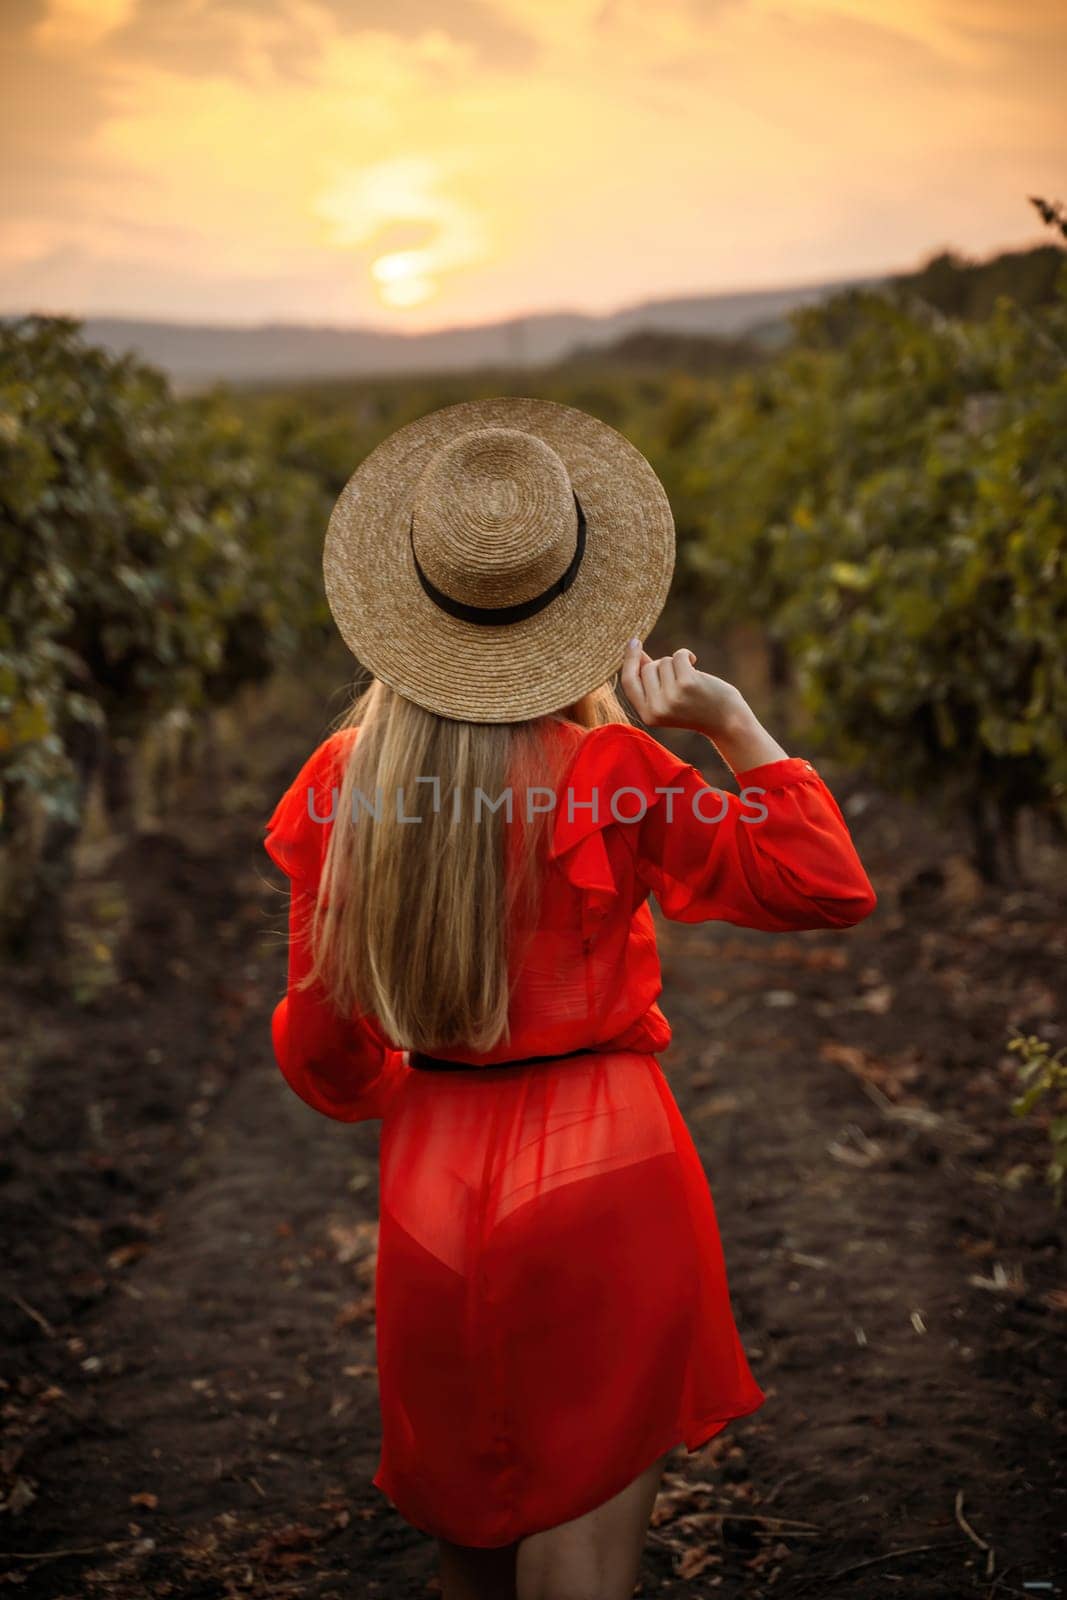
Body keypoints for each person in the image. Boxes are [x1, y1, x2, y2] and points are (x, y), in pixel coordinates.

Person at [263, 399, 877, 1600]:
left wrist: (417, 1079)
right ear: (578, 602)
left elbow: (327, 1053)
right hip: (606, 1168)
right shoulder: (614, 770)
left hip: (433, 1182)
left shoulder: (345, 784)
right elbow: (824, 885)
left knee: (473, 1547)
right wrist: (730, 724)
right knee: (581, 1561)